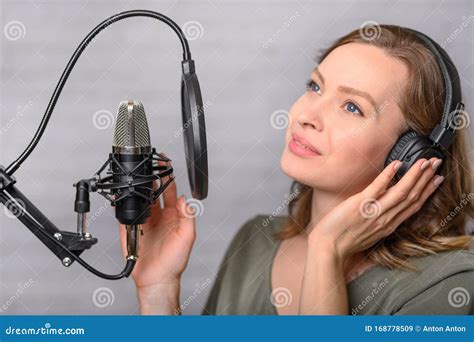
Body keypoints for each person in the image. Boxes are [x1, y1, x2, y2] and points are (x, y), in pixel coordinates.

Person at [119, 24, 474, 315]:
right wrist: (158, 290)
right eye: (315, 86)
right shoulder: (255, 241)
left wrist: (326, 251)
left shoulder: (448, 282)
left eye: (351, 107)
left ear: (412, 155)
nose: (306, 116)